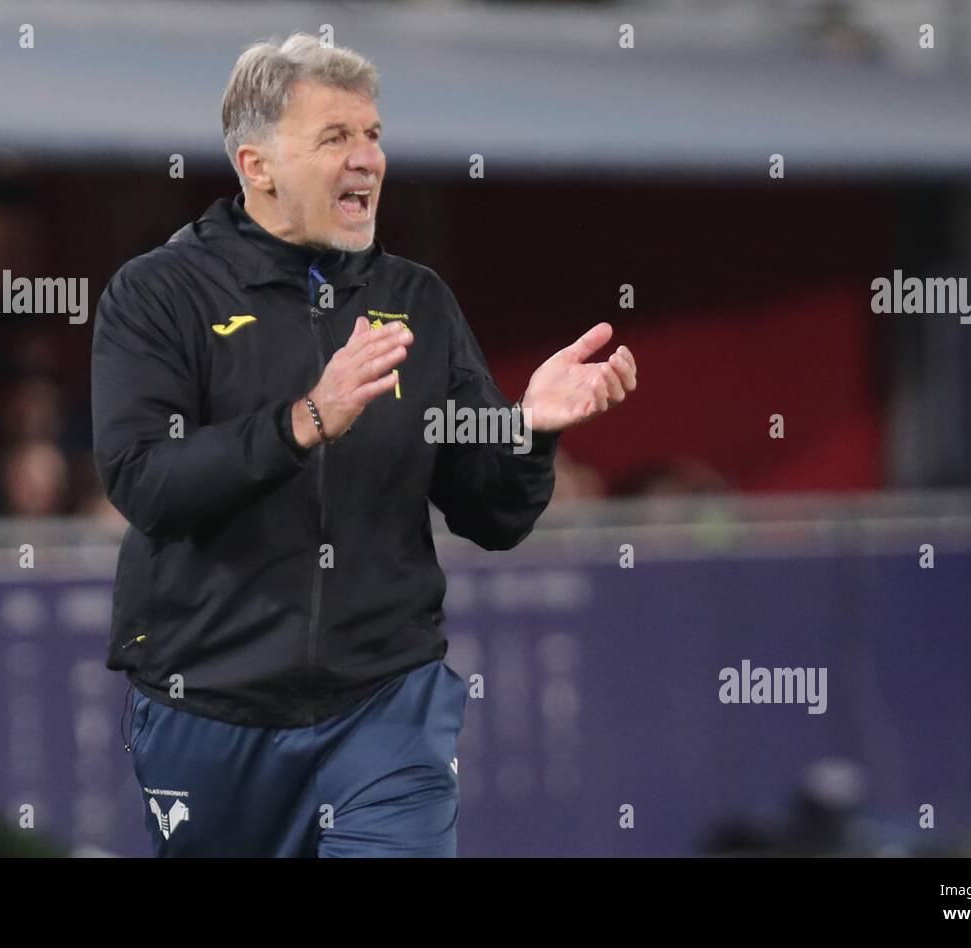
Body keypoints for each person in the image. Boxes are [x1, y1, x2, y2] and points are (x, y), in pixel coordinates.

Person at [90, 32, 637, 857]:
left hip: (385, 701)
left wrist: (526, 429)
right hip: (207, 702)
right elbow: (144, 481)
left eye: (373, 135)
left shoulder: (416, 298)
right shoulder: (158, 293)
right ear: (257, 165)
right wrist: (303, 420)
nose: (367, 160)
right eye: (335, 137)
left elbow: (491, 514)